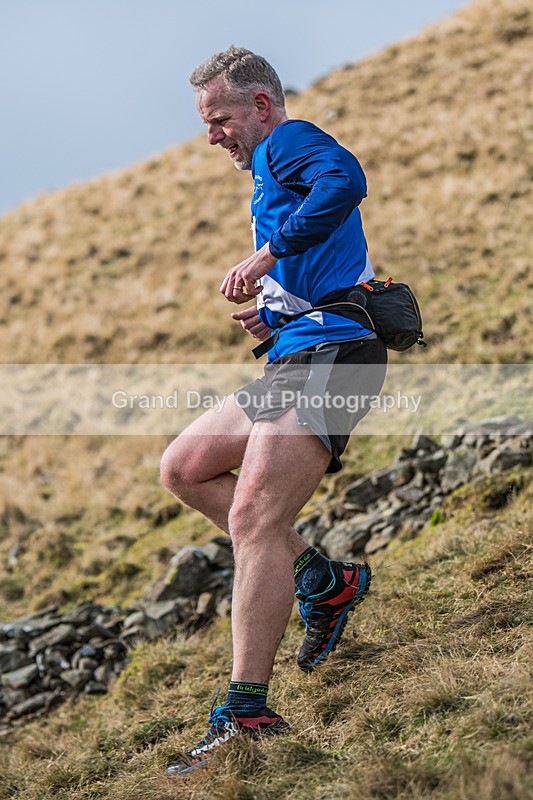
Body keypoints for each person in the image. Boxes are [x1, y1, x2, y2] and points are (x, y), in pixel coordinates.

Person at [160, 46, 387, 776]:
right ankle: (325, 579)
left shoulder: (287, 139)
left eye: (220, 118)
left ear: (260, 105)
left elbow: (345, 180)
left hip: (335, 354)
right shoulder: (268, 166)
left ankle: (246, 712)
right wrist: (274, 309)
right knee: (186, 468)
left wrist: (263, 256)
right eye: (207, 122)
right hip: (301, 347)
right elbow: (324, 253)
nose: (212, 135)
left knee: (254, 516)